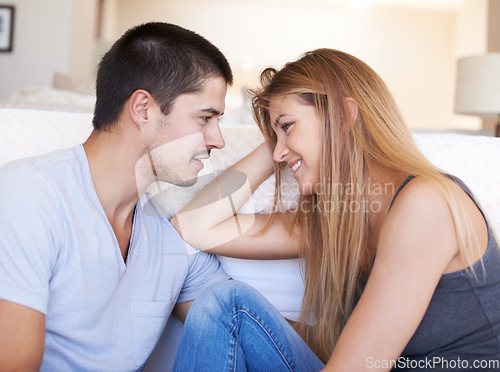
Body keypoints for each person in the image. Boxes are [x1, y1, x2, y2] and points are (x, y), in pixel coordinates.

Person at [171, 48, 500, 371]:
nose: (279, 154)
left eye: (287, 126)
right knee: (224, 305)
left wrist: (289, 142)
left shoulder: (426, 205)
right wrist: (277, 142)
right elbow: (192, 226)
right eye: (275, 136)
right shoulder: (335, 221)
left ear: (343, 118)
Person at [0, 22, 233, 371]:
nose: (218, 140)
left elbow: (244, 322)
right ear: (142, 109)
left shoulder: (167, 232)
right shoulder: (29, 195)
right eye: (205, 118)